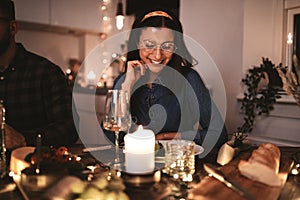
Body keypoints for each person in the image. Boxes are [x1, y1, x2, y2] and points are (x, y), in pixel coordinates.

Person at [103, 9, 228, 149]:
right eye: (149, 44)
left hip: (174, 165)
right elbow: (111, 140)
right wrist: (127, 86)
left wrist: (169, 136)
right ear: (137, 43)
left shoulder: (189, 79)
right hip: (131, 165)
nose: (157, 55)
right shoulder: (123, 81)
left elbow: (219, 134)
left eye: (167, 46)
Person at [0, 0, 78, 149]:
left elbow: (70, 128)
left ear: (13, 27)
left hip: (35, 168)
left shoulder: (46, 73)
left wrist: (23, 139)